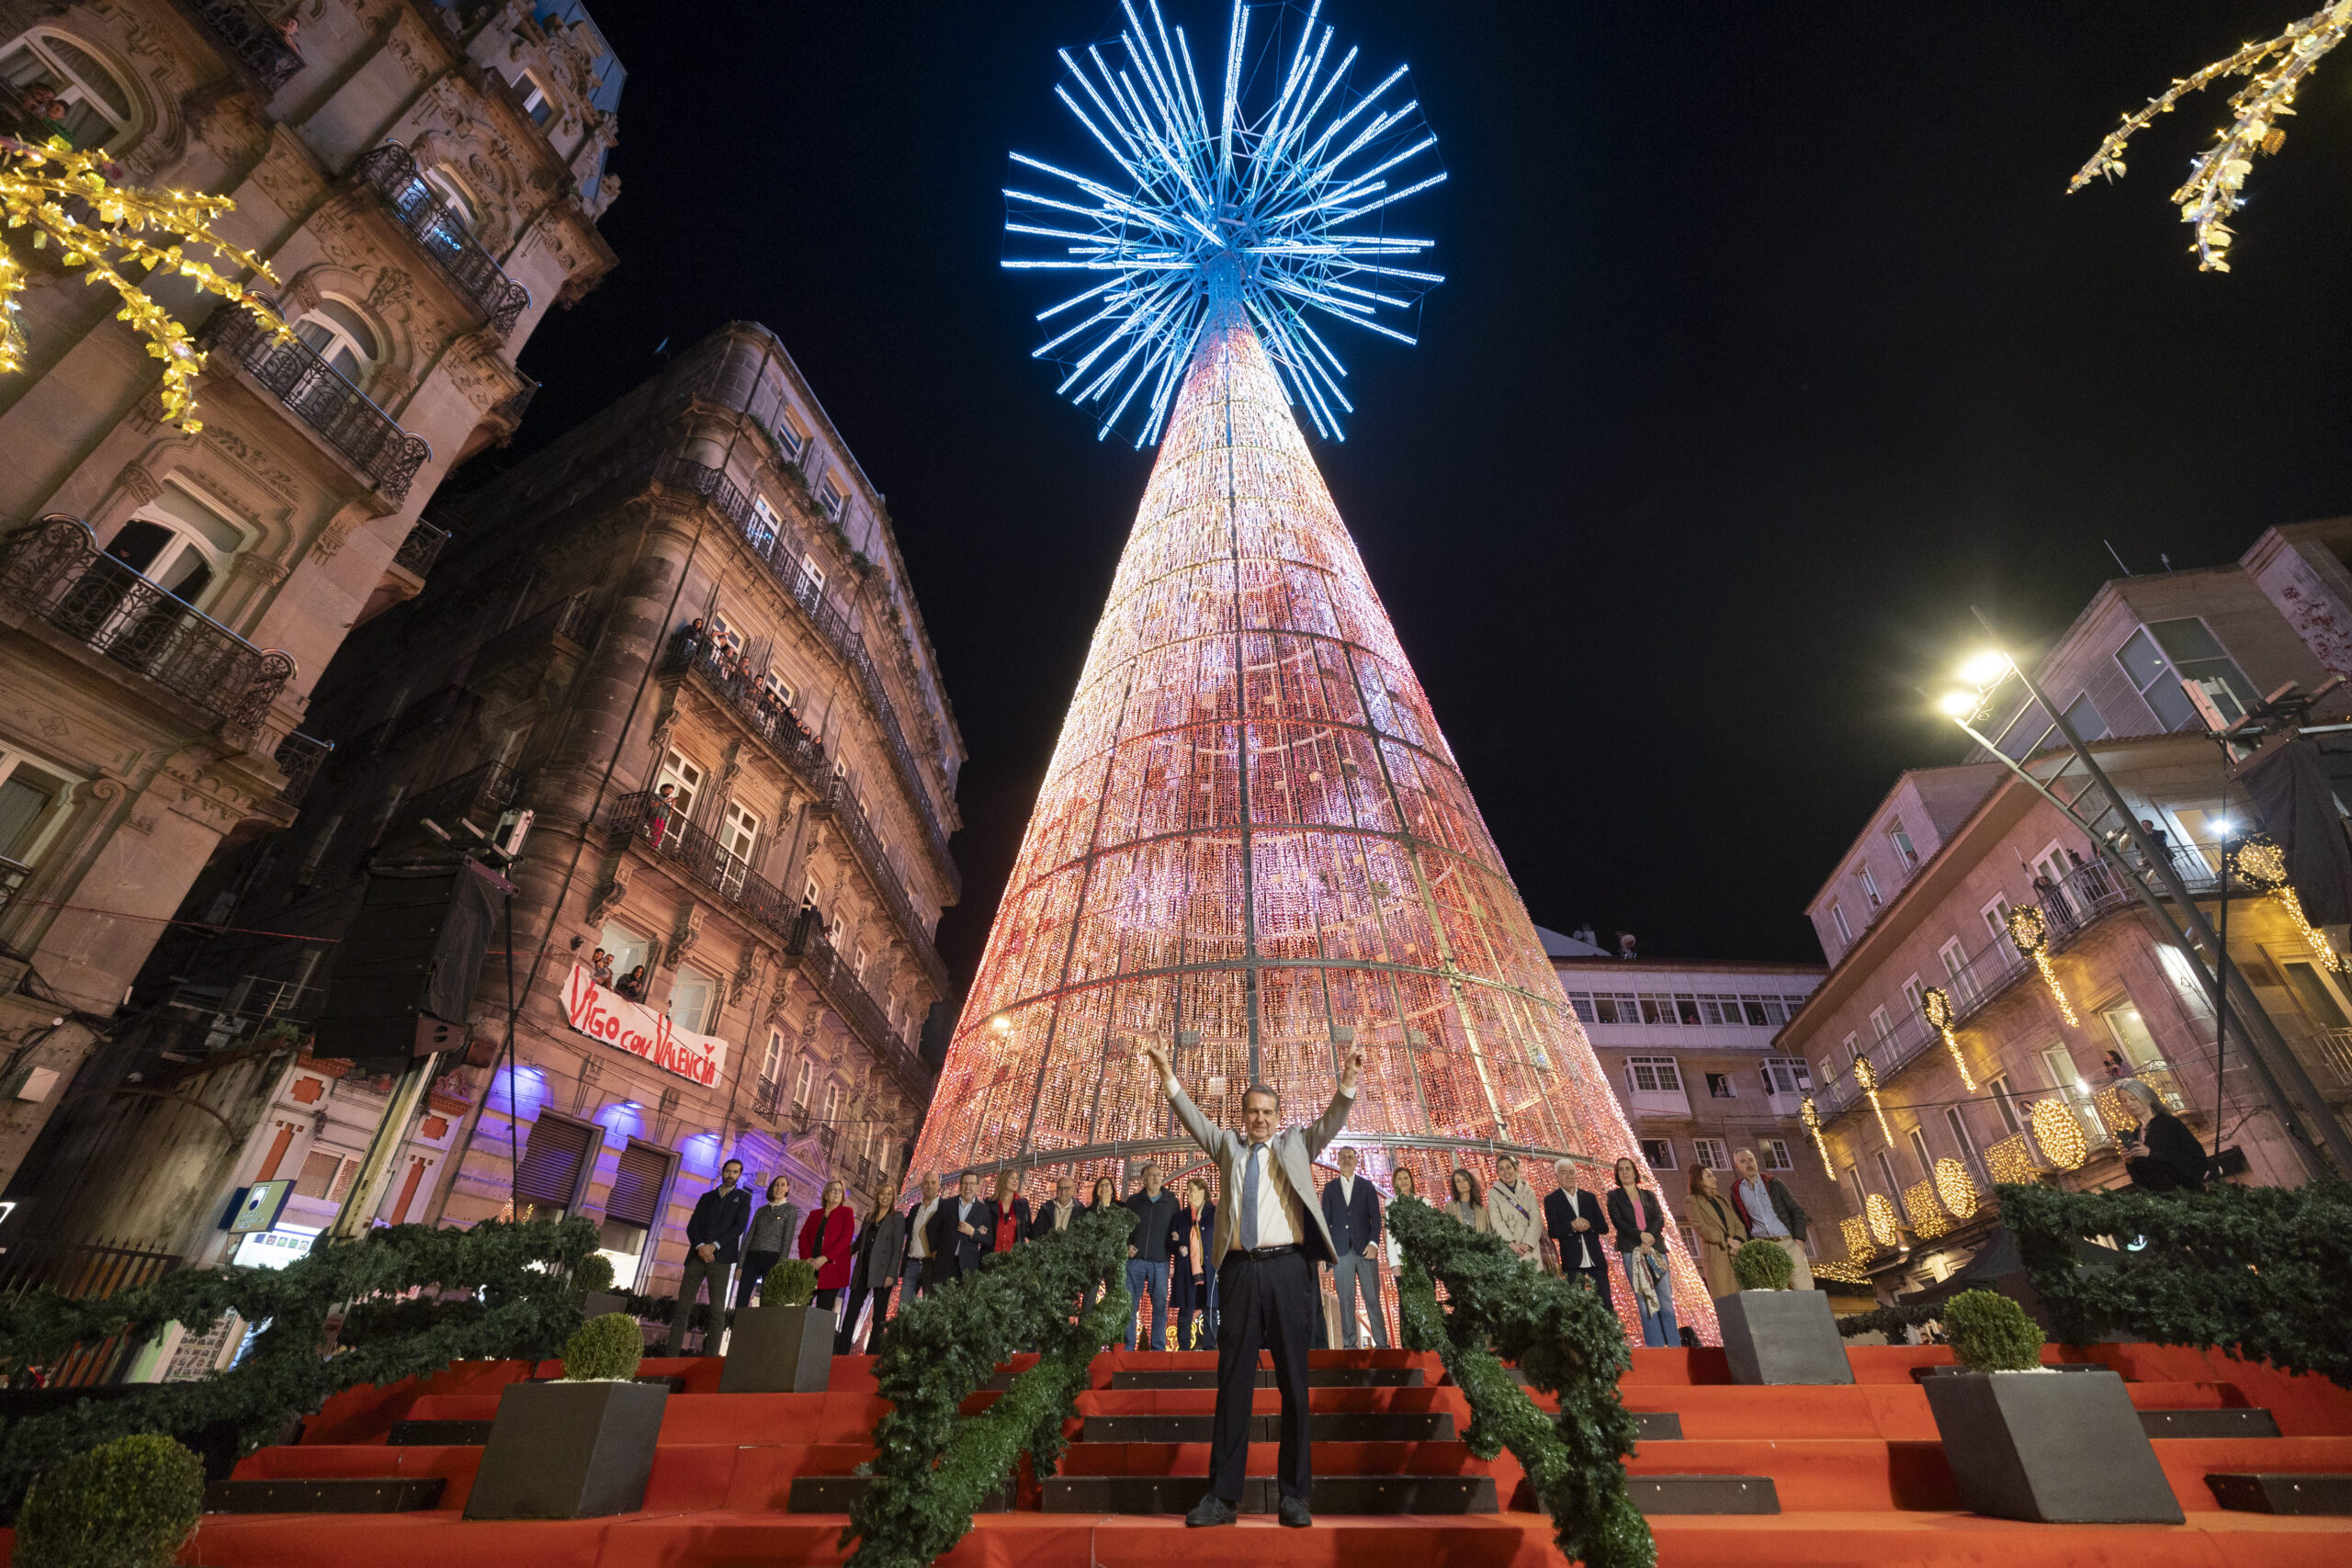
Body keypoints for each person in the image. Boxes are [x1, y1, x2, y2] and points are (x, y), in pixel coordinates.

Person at [1139, 1036, 1363, 1530]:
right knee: (1233, 1381)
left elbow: (1331, 1122)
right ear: (1243, 1116)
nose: (1259, 1119)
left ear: (1277, 1116)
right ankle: (1222, 1496)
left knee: (1294, 1384)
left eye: (1267, 1112)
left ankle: (1294, 1496)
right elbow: (1193, 1118)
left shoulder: (1296, 1144)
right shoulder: (1227, 1147)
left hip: (1288, 1271)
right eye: (1252, 1112)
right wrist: (1165, 1072)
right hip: (1239, 1271)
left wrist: (1347, 1081)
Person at [665, 1158, 750, 1355]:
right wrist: (702, 1246)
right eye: (728, 1171)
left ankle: (710, 1358)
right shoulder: (706, 1197)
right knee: (683, 1307)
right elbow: (692, 1226)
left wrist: (714, 1246)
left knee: (717, 1311)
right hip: (697, 1257)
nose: (731, 1175)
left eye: (735, 1172)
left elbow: (738, 1228)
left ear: (739, 1175)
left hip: (721, 1260)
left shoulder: (743, 1198)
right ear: (723, 1173)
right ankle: (671, 1355)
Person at [1608, 1156, 1679, 1348]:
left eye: (1628, 1168)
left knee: (1664, 1297)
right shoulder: (1614, 1197)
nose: (1624, 1172)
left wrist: (1649, 1236)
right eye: (1621, 1169)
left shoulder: (1649, 1195)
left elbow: (1659, 1218)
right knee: (1645, 1298)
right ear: (1617, 1173)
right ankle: (1655, 1345)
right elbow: (1619, 1222)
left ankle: (1673, 1345)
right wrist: (1640, 1236)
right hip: (1632, 1250)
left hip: (1655, 1248)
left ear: (1635, 1171)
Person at [1320, 1147, 1386, 1348]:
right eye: (1343, 1157)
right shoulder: (1330, 1189)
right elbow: (1325, 1222)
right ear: (1337, 1161)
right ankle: (1350, 1346)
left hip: (1366, 1251)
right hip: (1341, 1252)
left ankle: (1382, 1345)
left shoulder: (1366, 1186)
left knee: (1372, 1298)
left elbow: (1375, 1218)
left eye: (1350, 1157)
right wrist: (1325, 1252)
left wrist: (1374, 1243)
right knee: (1346, 1300)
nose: (1347, 1160)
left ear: (1357, 1160)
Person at [1727, 1147, 1814, 1291]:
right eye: (1743, 1161)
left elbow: (1797, 1211)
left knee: (1804, 1289)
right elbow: (1741, 1222)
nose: (1749, 1164)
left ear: (1756, 1161)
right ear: (1738, 1166)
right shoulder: (1737, 1191)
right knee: (1773, 1293)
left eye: (1751, 1159)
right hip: (1763, 1248)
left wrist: (1799, 1240)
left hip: (1788, 1242)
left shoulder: (1773, 1183)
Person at [838, 1187, 906, 1352]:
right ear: (877, 1196)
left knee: (878, 1318)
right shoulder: (869, 1217)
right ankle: (841, 1352)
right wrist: (839, 1253)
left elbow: (897, 1248)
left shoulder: (896, 1218)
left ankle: (870, 1357)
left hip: (883, 1274)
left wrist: (891, 1274)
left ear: (893, 1198)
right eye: (883, 1193)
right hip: (863, 1270)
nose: (885, 1197)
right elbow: (858, 1243)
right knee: (850, 1314)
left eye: (889, 1194)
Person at [1122, 1163, 1180, 1351]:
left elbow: (1177, 1228)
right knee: (1130, 1305)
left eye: (1159, 1174)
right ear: (1143, 1180)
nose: (1156, 1178)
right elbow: (1124, 1229)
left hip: (1160, 1261)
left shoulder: (1171, 1201)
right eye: (1151, 1175)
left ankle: (1158, 1348)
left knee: (1160, 1306)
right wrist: (1127, 1245)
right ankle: (1128, 1347)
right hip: (1135, 1261)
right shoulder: (1133, 1202)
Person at [1544, 1158, 1612, 1306]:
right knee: (1577, 1308)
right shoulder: (1551, 1200)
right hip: (1572, 1263)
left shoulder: (1589, 1197)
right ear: (1557, 1176)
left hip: (1596, 1261)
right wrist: (1572, 1226)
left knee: (1605, 1305)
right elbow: (1553, 1231)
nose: (1568, 1176)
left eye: (1571, 1172)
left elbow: (1603, 1227)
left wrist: (1589, 1225)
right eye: (1563, 1173)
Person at [2120, 1080, 2207, 1191]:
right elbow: (2142, 1183)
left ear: (2148, 1098)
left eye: (2133, 1098)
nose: (2128, 1104)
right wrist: (2131, 1162)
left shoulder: (2170, 1124)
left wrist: (2151, 1154)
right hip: (2161, 1201)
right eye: (2124, 1101)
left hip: (2187, 1194)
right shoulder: (2135, 1135)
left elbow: (2196, 1161)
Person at [737, 1175, 800, 1310]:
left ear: (787, 1189)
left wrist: (780, 1267)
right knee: (741, 1298)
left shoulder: (791, 1211)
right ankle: (737, 1328)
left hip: (773, 1259)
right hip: (752, 1258)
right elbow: (749, 1237)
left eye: (783, 1185)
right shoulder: (761, 1210)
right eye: (776, 1184)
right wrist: (740, 1264)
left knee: (767, 1302)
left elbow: (787, 1241)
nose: (779, 1188)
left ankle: (761, 1330)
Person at [1170, 1175, 1218, 1349]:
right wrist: (1178, 1247)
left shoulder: (1215, 1214)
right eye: (1188, 1189)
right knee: (1185, 1307)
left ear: (1202, 1191)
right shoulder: (1181, 1216)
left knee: (1210, 1308)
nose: (1188, 1192)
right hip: (1186, 1269)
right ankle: (1183, 1348)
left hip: (1209, 1268)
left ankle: (1210, 1348)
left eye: (1191, 1189)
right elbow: (1171, 1241)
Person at [1687, 1165, 1747, 1300]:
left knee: (1743, 1298)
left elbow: (1738, 1224)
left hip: (1736, 1253)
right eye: (1709, 1176)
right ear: (1699, 1180)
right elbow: (1701, 1227)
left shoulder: (1721, 1200)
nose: (1714, 1179)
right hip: (1716, 1254)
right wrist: (1727, 1240)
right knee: (1726, 1300)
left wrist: (1738, 1241)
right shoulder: (1692, 1201)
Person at [798, 1179, 856, 1312]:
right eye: (833, 1190)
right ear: (826, 1194)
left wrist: (825, 1258)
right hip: (810, 1267)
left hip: (831, 1269)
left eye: (840, 1191)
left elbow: (846, 1238)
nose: (837, 1193)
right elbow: (803, 1238)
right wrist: (807, 1259)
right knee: (802, 1308)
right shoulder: (815, 1214)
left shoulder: (847, 1213)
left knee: (822, 1311)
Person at [926, 1170, 992, 1282]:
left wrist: (973, 1233)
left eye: (972, 1184)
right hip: (944, 1264)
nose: (968, 1187)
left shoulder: (984, 1210)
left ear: (977, 1187)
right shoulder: (947, 1204)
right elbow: (931, 1227)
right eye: (965, 1183)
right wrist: (934, 1250)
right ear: (960, 1185)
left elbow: (989, 1239)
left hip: (967, 1268)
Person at [1486, 1154, 1541, 1265]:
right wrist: (1512, 1244)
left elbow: (1536, 1217)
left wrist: (1527, 1243)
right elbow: (1496, 1221)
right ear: (1497, 1173)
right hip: (1509, 1245)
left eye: (1508, 1167)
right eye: (1501, 1169)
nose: (1506, 1172)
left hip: (1530, 1245)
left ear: (1515, 1169)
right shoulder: (1494, 1193)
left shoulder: (1528, 1190)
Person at [903, 1172, 942, 1300]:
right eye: (926, 1183)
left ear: (939, 1185)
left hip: (931, 1266)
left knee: (929, 1309)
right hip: (911, 1265)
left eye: (933, 1182)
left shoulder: (944, 1208)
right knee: (904, 1309)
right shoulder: (914, 1210)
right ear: (921, 1186)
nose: (929, 1186)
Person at [1384, 1167, 1424, 1272]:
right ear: (1394, 1183)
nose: (1403, 1181)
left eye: (1406, 1178)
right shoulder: (1390, 1204)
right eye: (1399, 1179)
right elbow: (1390, 1236)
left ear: (1411, 1181)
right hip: (1402, 1260)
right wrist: (1395, 1264)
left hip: (1423, 1259)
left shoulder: (1424, 1203)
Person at [988, 1170, 1034, 1257]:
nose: (1015, 1181)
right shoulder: (989, 1203)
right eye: (1011, 1178)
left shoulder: (1023, 1204)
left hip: (1013, 1259)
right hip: (991, 1256)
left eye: (1017, 1178)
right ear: (1003, 1180)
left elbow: (1029, 1230)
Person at [1030, 1173, 1083, 1238]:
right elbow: (1036, 1234)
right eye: (1060, 1188)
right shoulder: (1045, 1209)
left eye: (1066, 1188)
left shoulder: (1080, 1211)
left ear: (1073, 1190)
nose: (1063, 1192)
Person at [1444, 1167, 1489, 1232]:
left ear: (1470, 1182)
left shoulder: (1480, 1208)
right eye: (1458, 1181)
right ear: (1455, 1185)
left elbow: (1489, 1231)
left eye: (1465, 1180)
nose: (1462, 1183)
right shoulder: (1449, 1207)